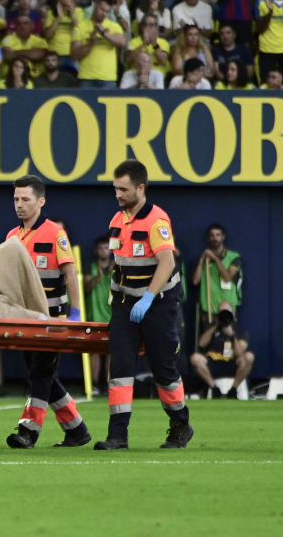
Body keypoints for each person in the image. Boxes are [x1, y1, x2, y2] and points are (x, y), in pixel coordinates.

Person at [94, 159, 192, 451]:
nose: (118, 194)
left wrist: (148, 297)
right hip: (125, 305)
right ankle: (117, 436)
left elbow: (167, 262)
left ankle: (180, 424)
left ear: (140, 187)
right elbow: (119, 264)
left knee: (163, 369)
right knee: (120, 370)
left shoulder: (156, 221)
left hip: (158, 304)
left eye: (123, 189)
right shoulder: (117, 221)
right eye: (115, 189)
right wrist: (117, 299)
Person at [5, 174, 90, 449]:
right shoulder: (12, 236)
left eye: (25, 199)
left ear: (40, 201)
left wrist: (75, 313)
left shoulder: (55, 233)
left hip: (54, 319)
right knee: (43, 375)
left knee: (40, 374)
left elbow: (70, 273)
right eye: (16, 199)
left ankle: (28, 430)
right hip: (26, 320)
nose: (19, 204)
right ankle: (76, 429)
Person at [190, 301, 254, 398]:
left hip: (232, 363)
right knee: (195, 358)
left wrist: (232, 336)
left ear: (233, 313)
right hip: (213, 363)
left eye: (226, 312)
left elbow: (240, 354)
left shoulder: (240, 329)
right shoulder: (211, 325)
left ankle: (233, 390)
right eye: (221, 312)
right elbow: (201, 344)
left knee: (249, 357)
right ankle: (214, 388)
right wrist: (215, 326)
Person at [192, 222, 242, 326]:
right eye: (212, 235)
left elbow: (227, 277)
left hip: (227, 309)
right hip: (209, 310)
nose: (215, 238)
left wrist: (214, 258)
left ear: (223, 237)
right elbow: (195, 281)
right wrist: (201, 260)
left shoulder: (234, 257)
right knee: (208, 342)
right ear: (208, 238)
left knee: (227, 340)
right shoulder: (206, 260)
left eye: (218, 235)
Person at [71, 0, 126, 88]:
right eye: (101, 9)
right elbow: (74, 55)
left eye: (107, 11)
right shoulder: (80, 27)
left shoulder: (113, 26)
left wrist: (105, 34)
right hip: (86, 79)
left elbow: (122, 42)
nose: (103, 13)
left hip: (108, 80)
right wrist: (91, 43)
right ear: (95, 5)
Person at [84, 235, 113, 394]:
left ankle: (109, 384)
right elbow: (86, 288)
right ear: (96, 250)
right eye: (101, 248)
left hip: (111, 314)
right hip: (94, 314)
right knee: (94, 351)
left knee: (111, 351)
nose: (103, 251)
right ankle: (94, 385)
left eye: (106, 247)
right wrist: (97, 278)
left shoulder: (117, 267)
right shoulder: (91, 267)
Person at [44, 0, 84, 69]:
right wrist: (59, 18)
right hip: (55, 53)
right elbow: (47, 35)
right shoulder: (51, 13)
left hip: (72, 53)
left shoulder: (78, 11)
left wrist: (73, 16)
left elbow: (81, 32)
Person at [1, 13, 48, 78]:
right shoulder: (8, 39)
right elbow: (8, 56)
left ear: (32, 26)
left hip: (35, 77)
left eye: (25, 23)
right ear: (15, 26)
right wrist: (30, 52)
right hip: (10, 77)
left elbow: (39, 55)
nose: (22, 26)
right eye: (19, 24)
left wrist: (17, 52)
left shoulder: (40, 41)